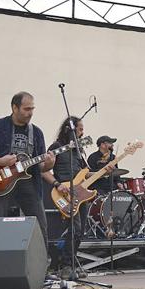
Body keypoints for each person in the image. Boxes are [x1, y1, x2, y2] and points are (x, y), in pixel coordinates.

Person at [0, 91, 54, 255]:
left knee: (40, 224)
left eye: (32, 109)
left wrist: (49, 164)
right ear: (14, 108)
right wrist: (1, 162)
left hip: (28, 183)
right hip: (1, 182)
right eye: (26, 109)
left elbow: (40, 167)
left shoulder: (36, 133)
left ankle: (42, 265)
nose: (30, 113)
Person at [42, 116, 92, 279]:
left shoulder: (78, 150)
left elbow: (85, 173)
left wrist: (106, 170)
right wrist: (57, 184)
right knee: (75, 229)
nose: (82, 132)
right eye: (80, 129)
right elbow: (43, 170)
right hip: (64, 192)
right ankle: (64, 266)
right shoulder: (56, 147)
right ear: (69, 130)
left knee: (80, 231)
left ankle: (66, 264)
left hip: (80, 193)